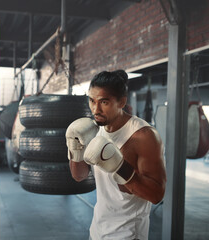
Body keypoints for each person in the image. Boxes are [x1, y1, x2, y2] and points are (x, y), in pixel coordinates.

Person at [65, 70, 166, 240]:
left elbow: (156, 195)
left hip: (129, 234)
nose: (95, 109)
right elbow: (79, 176)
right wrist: (75, 149)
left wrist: (121, 168)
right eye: (92, 101)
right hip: (97, 230)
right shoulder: (94, 129)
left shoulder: (143, 136)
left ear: (122, 102)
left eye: (104, 102)